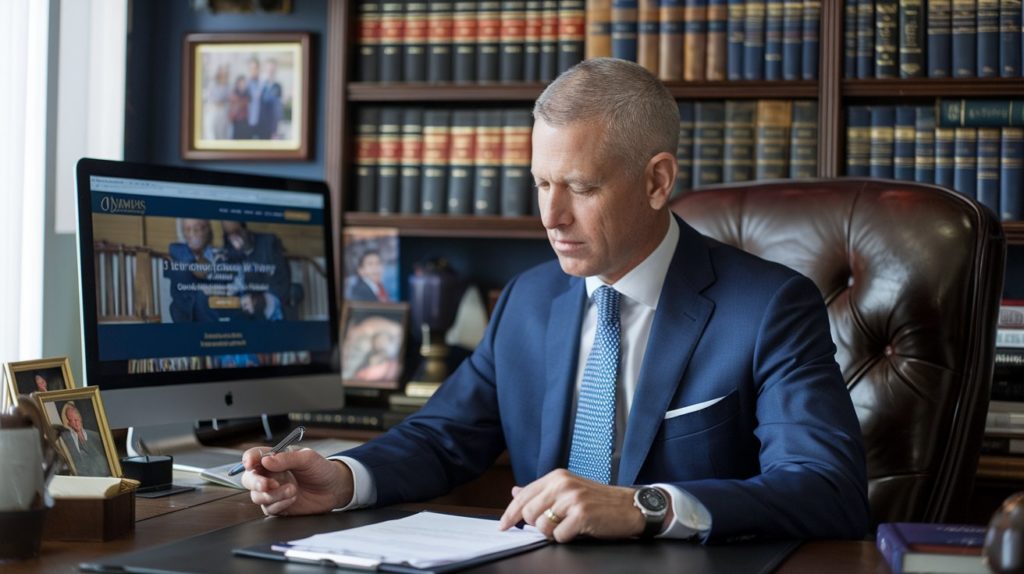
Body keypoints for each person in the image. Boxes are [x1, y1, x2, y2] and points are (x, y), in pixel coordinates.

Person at [240, 58, 869, 543]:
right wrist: (344, 478)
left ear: (657, 181)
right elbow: (441, 437)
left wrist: (645, 505)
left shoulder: (769, 307)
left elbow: (826, 490)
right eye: (541, 182)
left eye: (580, 186)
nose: (550, 215)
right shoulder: (528, 298)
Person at [221, 221, 292, 320]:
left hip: (269, 308)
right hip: (241, 311)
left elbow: (282, 282)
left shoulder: (269, 243)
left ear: (245, 229)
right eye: (229, 235)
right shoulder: (227, 252)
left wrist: (263, 299)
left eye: (237, 232)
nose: (235, 239)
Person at [60, 402, 110, 477]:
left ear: (80, 418)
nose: (76, 422)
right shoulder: (66, 440)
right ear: (69, 423)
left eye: (76, 419)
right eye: (72, 420)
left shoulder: (96, 436)